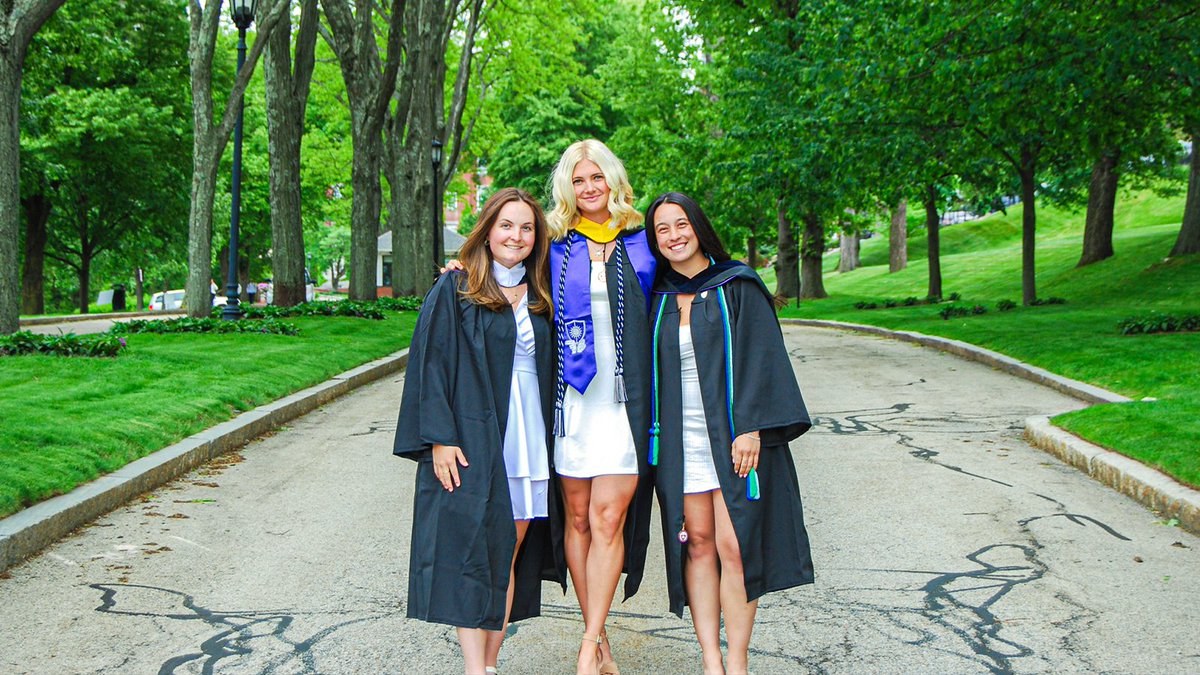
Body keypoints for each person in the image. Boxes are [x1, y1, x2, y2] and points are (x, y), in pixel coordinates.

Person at [393, 187, 566, 675]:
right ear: (488, 231)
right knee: (474, 549)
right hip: (474, 436)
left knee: (506, 552)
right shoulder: (456, 289)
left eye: (527, 227)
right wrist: (439, 439)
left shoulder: (542, 293)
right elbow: (431, 365)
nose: (517, 235)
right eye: (507, 225)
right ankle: (475, 667)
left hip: (528, 435)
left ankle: (491, 663)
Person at [644, 192, 814, 675]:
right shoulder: (654, 294)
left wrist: (752, 428)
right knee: (696, 542)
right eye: (662, 229)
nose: (674, 236)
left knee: (735, 543)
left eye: (681, 225)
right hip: (680, 440)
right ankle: (710, 661)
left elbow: (762, 357)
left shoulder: (736, 284)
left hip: (733, 436)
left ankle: (736, 661)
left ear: (698, 227)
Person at [547, 139, 656, 675]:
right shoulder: (554, 247)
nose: (590, 189)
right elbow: (506, 278)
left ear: (614, 180)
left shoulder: (643, 244)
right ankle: (601, 638)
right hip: (573, 401)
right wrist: (460, 264)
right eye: (580, 180)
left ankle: (587, 647)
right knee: (579, 519)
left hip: (622, 402)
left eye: (598, 177)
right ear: (569, 187)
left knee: (608, 516)